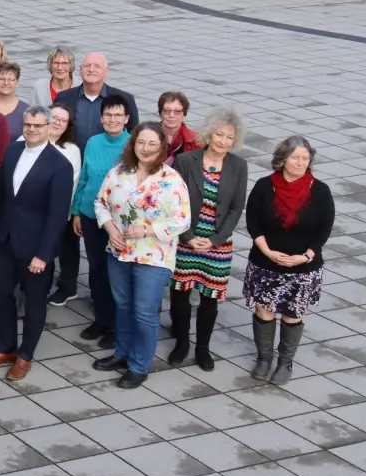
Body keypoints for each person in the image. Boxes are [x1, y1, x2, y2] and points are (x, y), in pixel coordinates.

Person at [90, 123, 191, 388]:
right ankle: (122, 354)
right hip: (119, 251)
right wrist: (110, 228)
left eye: (152, 144)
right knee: (122, 305)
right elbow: (100, 203)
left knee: (144, 311)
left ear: (161, 148)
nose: (145, 149)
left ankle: (139, 365)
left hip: (153, 256)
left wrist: (147, 229)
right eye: (140, 143)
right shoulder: (119, 172)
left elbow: (182, 220)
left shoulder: (171, 180)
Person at [0, 107, 73, 381]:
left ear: (48, 127)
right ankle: (5, 347)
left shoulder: (60, 165)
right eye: (28, 124)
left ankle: (25, 355)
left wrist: (43, 255)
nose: (31, 129)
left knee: (33, 304)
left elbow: (57, 216)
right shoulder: (13, 151)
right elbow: (1, 196)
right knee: (0, 295)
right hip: (4, 240)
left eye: (38, 125)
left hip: (35, 248)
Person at [244, 135, 333, 384]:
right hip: (265, 263)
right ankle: (264, 358)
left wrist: (305, 257)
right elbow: (253, 223)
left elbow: (324, 230)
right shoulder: (264, 187)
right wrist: (268, 252)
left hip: (302, 268)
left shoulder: (321, 191)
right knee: (264, 310)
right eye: (295, 157)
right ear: (282, 159)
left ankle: (285, 362)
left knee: (293, 313)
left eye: (305, 158)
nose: (300, 162)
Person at [168, 107, 247, 371]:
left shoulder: (239, 166)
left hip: (217, 243)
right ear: (209, 134)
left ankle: (203, 347)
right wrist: (188, 236)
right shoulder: (186, 161)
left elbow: (236, 208)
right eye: (219, 135)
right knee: (180, 293)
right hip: (186, 238)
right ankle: (181, 342)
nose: (223, 141)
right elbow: (175, 201)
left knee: (209, 297)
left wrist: (215, 240)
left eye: (229, 137)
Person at [71, 95, 132, 347]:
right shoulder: (94, 142)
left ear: (127, 119)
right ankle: (101, 319)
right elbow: (84, 178)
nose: (112, 119)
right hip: (89, 213)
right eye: (108, 115)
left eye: (118, 115)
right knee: (96, 270)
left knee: (116, 273)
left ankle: (118, 326)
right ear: (101, 117)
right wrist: (76, 211)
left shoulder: (132, 145)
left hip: (118, 221)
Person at [44, 105, 84, 306]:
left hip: (62, 211)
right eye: (54, 117)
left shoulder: (71, 150)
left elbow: (72, 183)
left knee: (67, 249)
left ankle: (68, 287)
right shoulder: (28, 140)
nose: (57, 122)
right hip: (34, 211)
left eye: (63, 120)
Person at [55, 52, 139, 145]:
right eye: (87, 65)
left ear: (106, 71)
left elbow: (133, 133)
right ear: (80, 70)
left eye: (97, 66)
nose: (91, 69)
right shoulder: (63, 98)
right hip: (72, 157)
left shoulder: (125, 99)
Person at [157, 91, 201, 159]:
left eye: (177, 111)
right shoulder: (147, 136)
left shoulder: (196, 141)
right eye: (166, 111)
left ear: (184, 115)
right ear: (160, 114)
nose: (171, 115)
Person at [0, 62, 30, 136]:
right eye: (2, 79)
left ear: (17, 82)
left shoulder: (26, 110)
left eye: (11, 79)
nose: (6, 83)